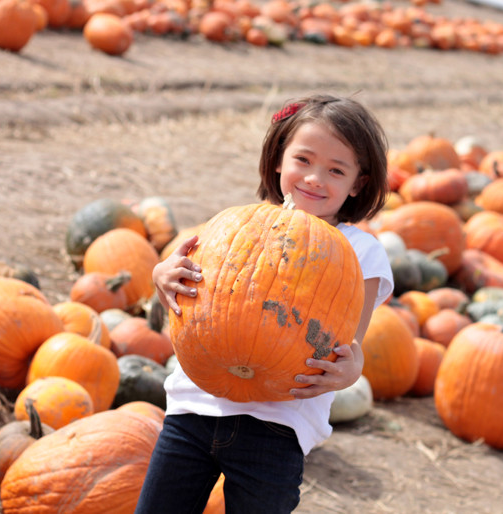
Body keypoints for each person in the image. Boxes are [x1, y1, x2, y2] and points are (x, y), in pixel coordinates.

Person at [135, 93, 394, 514]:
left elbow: (351, 341)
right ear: (278, 159)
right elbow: (193, 288)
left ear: (358, 183)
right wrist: (161, 276)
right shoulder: (239, 225)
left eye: (336, 170)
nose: (314, 178)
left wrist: (351, 370)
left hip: (278, 426)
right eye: (303, 160)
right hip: (193, 406)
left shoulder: (360, 252)